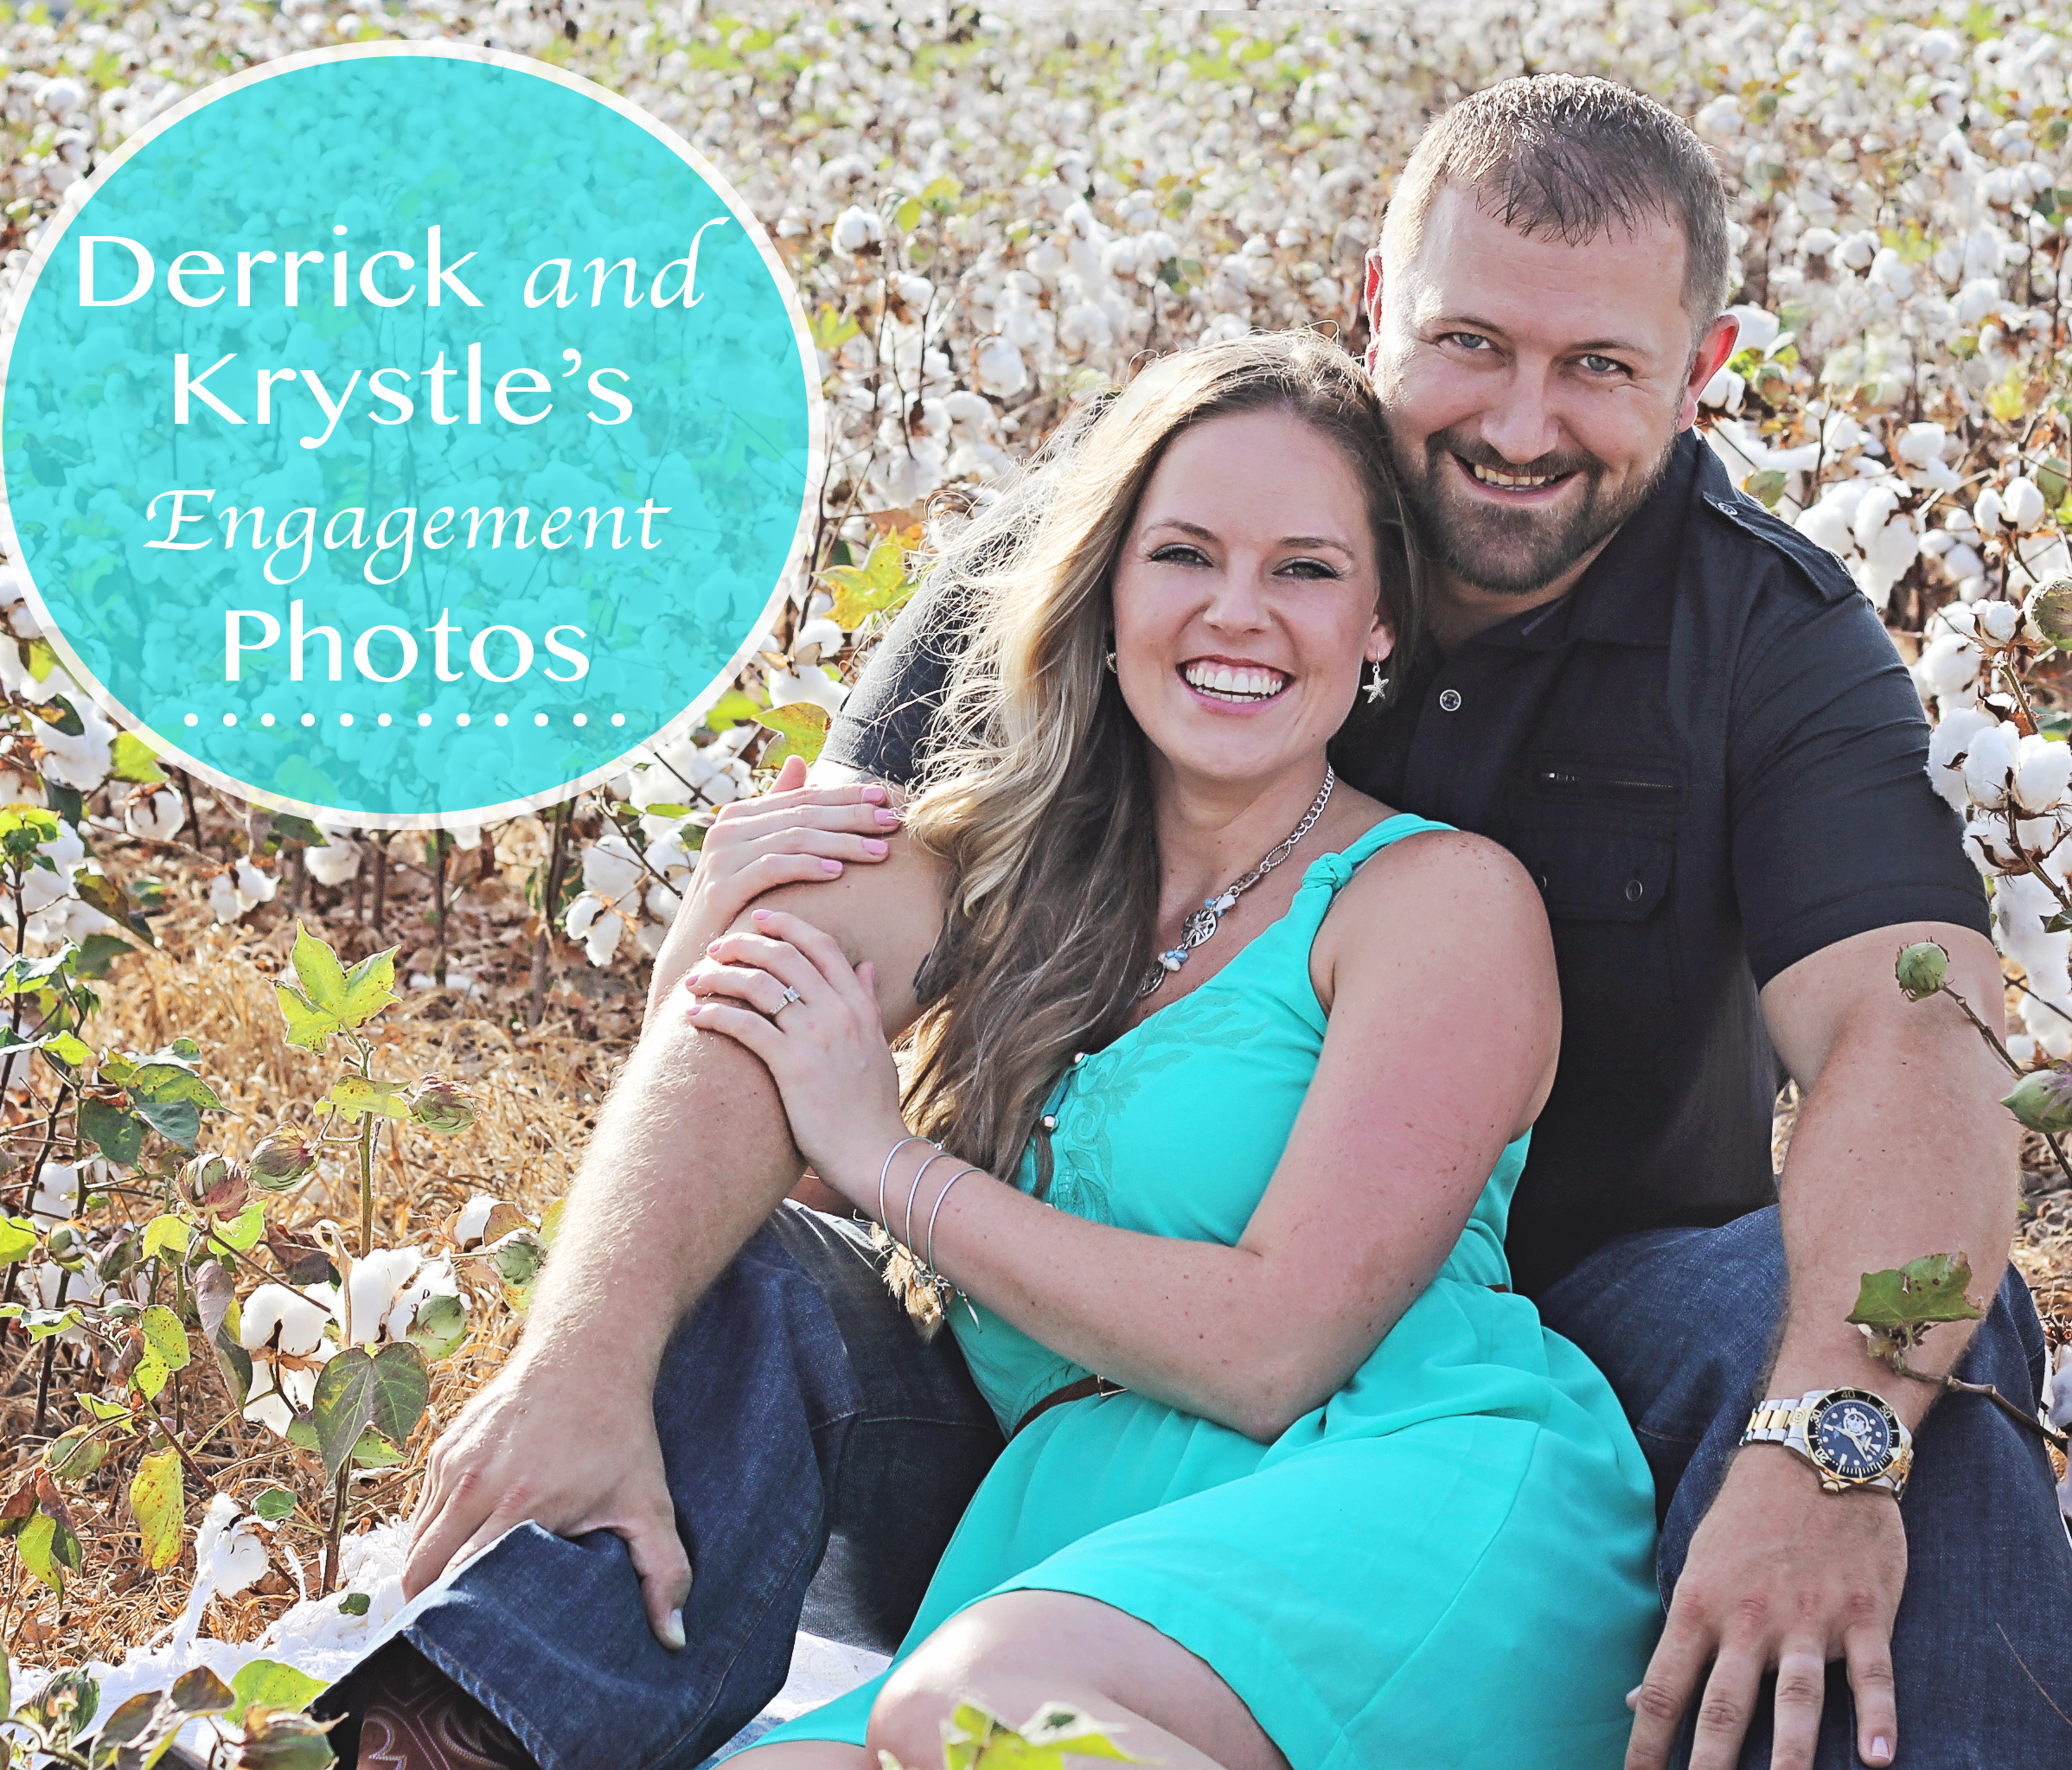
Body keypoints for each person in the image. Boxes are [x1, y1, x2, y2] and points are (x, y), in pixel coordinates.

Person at [369, 74, 2072, 1770]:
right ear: (1378, 306)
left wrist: (1824, 1459)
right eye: (1468, 344)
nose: (1519, 423)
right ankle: (479, 1727)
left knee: (1884, 1322)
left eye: (1595, 365)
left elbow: (1911, 1030)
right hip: (1051, 1399)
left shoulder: (1770, 639)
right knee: (714, 1276)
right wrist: (580, 1358)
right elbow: (775, 998)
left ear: (1698, 374)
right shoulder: (1100, 559)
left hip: (1556, 1344)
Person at [663, 329, 1661, 1767]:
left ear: (1383, 620)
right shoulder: (1000, 887)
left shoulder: (1435, 899)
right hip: (1082, 1518)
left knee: (993, 1715)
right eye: (1184, 555)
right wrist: (718, 908)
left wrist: (886, 1159)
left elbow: (1271, 1351)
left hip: (1399, 1484)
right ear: (1109, 589)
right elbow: (704, 1152)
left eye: (1307, 570)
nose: (1239, 614)